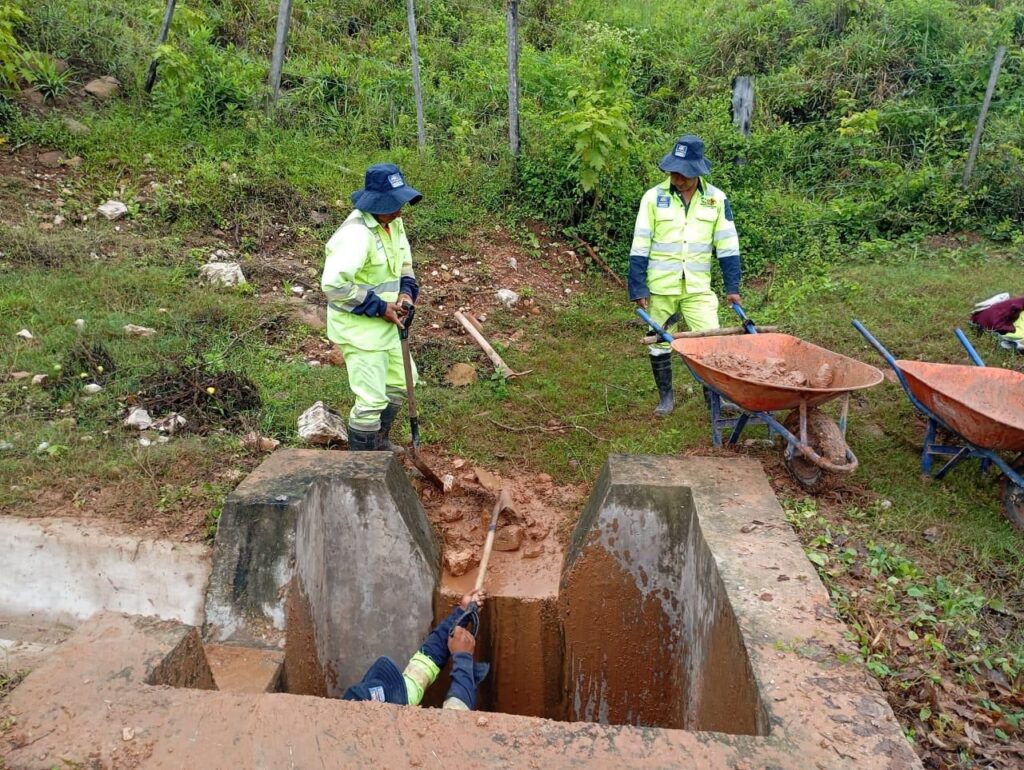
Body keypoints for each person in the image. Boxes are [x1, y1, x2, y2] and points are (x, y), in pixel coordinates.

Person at [628, 135, 742, 416]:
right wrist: (638, 287)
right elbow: (640, 244)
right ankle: (665, 397)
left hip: (697, 288)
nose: (677, 178)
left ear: (697, 171)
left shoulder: (716, 199)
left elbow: (727, 246)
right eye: (673, 172)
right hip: (661, 287)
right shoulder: (653, 198)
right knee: (659, 341)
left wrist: (732, 287)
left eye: (683, 174)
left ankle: (715, 399)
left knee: (710, 342)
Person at [321, 163, 422, 450]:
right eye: (393, 204)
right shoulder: (355, 235)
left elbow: (405, 266)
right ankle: (364, 466)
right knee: (371, 401)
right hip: (359, 330)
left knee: (402, 383)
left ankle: (378, 442)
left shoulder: (393, 224)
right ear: (375, 202)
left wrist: (406, 295)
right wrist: (380, 307)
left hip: (388, 324)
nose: (400, 210)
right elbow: (333, 286)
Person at [341, 590, 490, 711]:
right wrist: (463, 658)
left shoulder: (395, 703)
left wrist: (462, 613)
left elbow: (424, 665)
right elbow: (456, 718)